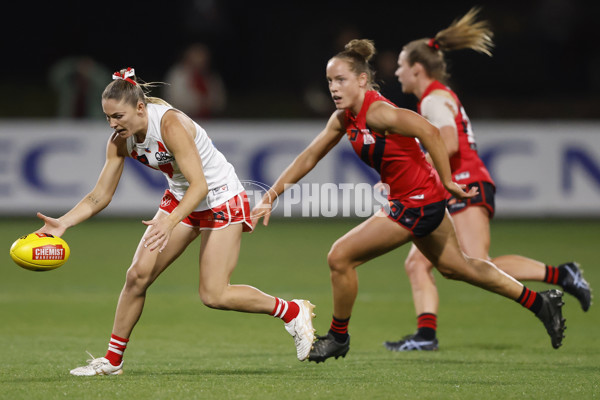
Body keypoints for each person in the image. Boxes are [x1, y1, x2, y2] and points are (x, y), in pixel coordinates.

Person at [251, 38, 566, 364]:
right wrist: (270, 196)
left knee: (340, 257)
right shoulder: (344, 118)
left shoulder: (380, 112)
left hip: (417, 202)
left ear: (362, 80)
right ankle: (541, 303)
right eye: (329, 80)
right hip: (419, 199)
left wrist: (447, 180)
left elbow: (430, 131)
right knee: (459, 267)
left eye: (341, 79)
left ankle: (338, 338)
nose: (333, 87)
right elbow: (309, 157)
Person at [35, 67, 316, 376]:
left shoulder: (170, 125)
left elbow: (201, 186)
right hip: (183, 198)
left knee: (214, 295)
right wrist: (63, 223)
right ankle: (112, 361)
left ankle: (292, 310)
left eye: (118, 116)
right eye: (108, 118)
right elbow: (100, 195)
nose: (113, 125)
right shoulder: (120, 140)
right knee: (137, 276)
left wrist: (168, 223)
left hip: (221, 197)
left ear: (140, 108)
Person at [384, 7, 591, 352]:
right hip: (458, 185)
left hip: (465, 183)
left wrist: (419, 170)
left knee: (477, 264)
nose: (396, 71)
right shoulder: (435, 98)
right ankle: (425, 335)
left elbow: (448, 143)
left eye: (401, 65)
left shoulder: (434, 99)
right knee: (419, 262)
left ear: (417, 69)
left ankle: (561, 275)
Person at [163, 43, 227, 119]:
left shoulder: (211, 77)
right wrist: (199, 104)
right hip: (182, 119)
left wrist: (211, 103)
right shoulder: (177, 75)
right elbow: (174, 99)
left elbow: (220, 101)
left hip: (209, 120)